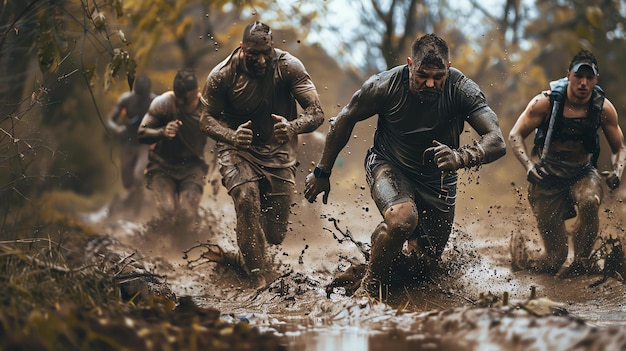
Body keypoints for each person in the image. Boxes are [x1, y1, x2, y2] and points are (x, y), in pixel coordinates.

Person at [304, 33, 506, 299]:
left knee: (423, 266)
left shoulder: (461, 88)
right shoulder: (384, 85)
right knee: (402, 221)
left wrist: (460, 157)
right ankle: (369, 288)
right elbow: (344, 118)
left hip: (438, 180)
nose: (431, 83)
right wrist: (322, 172)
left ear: (448, 68)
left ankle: (377, 254)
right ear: (410, 64)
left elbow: (496, 140)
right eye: (423, 75)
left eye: (438, 76)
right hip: (390, 165)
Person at [199, 21, 325, 287]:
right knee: (247, 200)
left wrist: (292, 126)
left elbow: (316, 113)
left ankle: (239, 257)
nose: (260, 59)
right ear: (242, 48)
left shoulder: (289, 67)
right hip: (237, 148)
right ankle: (257, 277)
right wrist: (232, 136)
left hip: (279, 151)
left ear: (272, 47)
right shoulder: (223, 74)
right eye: (253, 53)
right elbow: (206, 119)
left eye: (265, 52)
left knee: (276, 234)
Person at [508, 50, 626, 278]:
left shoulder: (603, 108)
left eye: (588, 78)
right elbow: (515, 135)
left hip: (581, 173)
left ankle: (582, 261)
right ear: (568, 76)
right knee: (555, 259)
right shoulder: (545, 102)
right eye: (578, 76)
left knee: (590, 200)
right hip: (546, 178)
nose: (583, 83)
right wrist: (528, 166)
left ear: (596, 79)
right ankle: (524, 260)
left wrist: (617, 171)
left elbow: (620, 147)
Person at [137, 69, 210, 245]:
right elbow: (141, 132)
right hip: (162, 167)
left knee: (186, 214)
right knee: (168, 211)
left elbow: (222, 135)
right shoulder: (163, 103)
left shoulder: (207, 108)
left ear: (197, 91)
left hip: (192, 167)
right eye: (177, 96)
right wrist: (162, 131)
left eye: (185, 98)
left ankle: (182, 249)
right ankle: (163, 246)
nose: (180, 101)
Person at [106, 76, 156, 217]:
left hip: (144, 144)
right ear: (135, 92)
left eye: (144, 95)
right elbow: (110, 120)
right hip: (128, 143)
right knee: (127, 182)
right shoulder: (126, 100)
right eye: (139, 95)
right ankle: (131, 198)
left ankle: (137, 209)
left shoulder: (155, 101)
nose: (142, 98)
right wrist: (117, 129)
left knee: (139, 175)